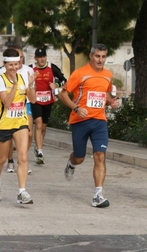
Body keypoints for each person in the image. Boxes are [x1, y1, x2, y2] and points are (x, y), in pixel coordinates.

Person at [58, 43, 118, 208]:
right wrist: (76, 108)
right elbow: (63, 94)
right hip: (80, 121)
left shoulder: (108, 74)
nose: (100, 60)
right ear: (91, 56)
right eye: (97, 56)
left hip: (99, 121)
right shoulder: (80, 74)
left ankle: (98, 195)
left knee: (100, 156)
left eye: (103, 57)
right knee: (80, 157)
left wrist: (111, 101)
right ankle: (71, 163)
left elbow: (105, 92)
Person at [0, 48, 36, 204]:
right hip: (3, 123)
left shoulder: (25, 77)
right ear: (4, 64)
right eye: (10, 65)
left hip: (20, 122)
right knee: (2, 159)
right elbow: (7, 102)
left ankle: (22, 192)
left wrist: (30, 86)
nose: (13, 68)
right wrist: (15, 85)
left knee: (23, 156)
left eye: (16, 64)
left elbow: (33, 99)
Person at [29, 47, 67, 164]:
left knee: (44, 127)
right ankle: (40, 151)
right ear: (35, 58)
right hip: (35, 100)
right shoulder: (31, 68)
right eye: (39, 57)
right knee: (38, 123)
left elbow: (64, 80)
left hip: (48, 100)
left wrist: (55, 85)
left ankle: (38, 147)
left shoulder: (52, 67)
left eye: (43, 57)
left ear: (46, 57)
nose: (41, 59)